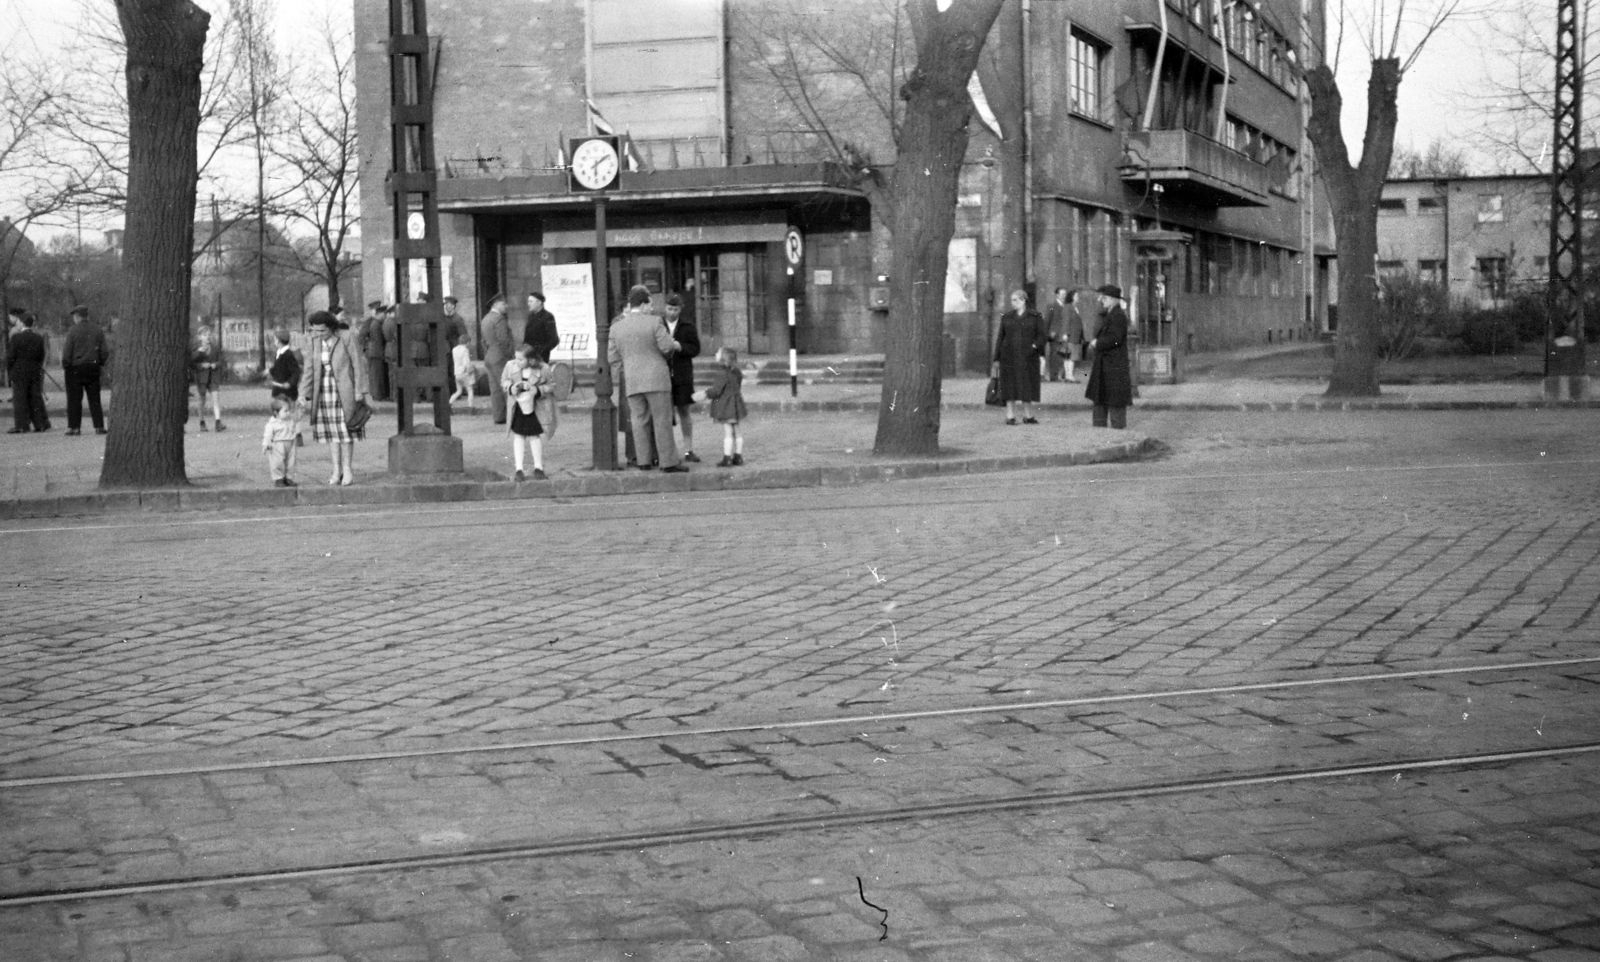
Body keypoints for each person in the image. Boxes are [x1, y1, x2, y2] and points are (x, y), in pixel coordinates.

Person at [607, 284, 686, 472]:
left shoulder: (616, 327)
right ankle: (668, 462)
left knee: (638, 420)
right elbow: (666, 346)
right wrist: (675, 345)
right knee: (662, 421)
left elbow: (612, 358)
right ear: (643, 305)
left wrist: (627, 370)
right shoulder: (655, 322)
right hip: (657, 379)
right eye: (649, 305)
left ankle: (643, 461)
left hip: (633, 380)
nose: (651, 308)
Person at [298, 310, 371, 485]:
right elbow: (309, 369)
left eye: (322, 331)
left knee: (345, 431)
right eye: (314, 331)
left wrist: (360, 390)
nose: (318, 334)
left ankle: (347, 470)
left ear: (331, 328)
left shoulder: (346, 337)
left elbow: (358, 363)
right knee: (331, 433)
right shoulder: (313, 342)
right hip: (323, 391)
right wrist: (302, 393)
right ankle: (336, 469)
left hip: (344, 389)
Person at [991, 288, 1047, 425]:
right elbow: (1000, 338)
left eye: (1015, 300)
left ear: (1023, 300)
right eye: (1011, 300)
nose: (1012, 303)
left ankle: (1028, 415)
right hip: (1009, 357)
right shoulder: (1007, 317)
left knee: (1027, 386)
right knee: (1010, 386)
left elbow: (1042, 336)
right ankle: (1010, 416)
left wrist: (1034, 347)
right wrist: (996, 358)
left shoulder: (1035, 316)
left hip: (1028, 357)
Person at [501, 344, 553, 481]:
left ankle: (538, 467)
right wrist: (511, 387)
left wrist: (538, 390)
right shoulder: (510, 366)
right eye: (516, 358)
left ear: (530, 360)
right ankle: (519, 469)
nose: (517, 362)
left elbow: (552, 385)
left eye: (520, 360)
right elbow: (504, 381)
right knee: (518, 435)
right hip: (517, 405)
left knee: (534, 435)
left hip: (535, 406)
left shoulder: (543, 368)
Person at [1086, 284, 1134, 429]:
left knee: (1115, 403)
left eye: (1104, 297)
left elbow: (1116, 338)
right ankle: (1101, 433)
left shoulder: (1118, 315)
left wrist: (1097, 343)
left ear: (1114, 299)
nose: (1101, 300)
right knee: (1102, 401)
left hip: (1114, 366)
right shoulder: (1110, 313)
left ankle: (1115, 435)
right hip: (1106, 365)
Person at [663, 292, 701, 462]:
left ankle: (688, 449)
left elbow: (695, 348)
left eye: (675, 309)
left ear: (680, 310)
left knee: (684, 411)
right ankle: (667, 451)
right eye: (669, 309)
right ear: (665, 308)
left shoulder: (688, 326)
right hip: (662, 374)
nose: (672, 313)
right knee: (664, 413)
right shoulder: (658, 324)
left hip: (682, 375)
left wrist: (681, 347)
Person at [695, 346, 747, 467]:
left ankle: (727, 457)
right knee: (737, 430)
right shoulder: (736, 372)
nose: (716, 354)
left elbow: (716, 391)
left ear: (723, 358)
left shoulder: (721, 374)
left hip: (726, 405)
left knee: (728, 431)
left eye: (718, 353)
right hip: (736, 403)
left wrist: (705, 394)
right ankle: (738, 456)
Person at [61, 304, 108, 435]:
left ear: (76, 317)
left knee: (74, 399)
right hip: (93, 366)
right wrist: (99, 363)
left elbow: (67, 352)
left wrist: (66, 365)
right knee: (94, 398)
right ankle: (99, 426)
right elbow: (104, 351)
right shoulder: (97, 330)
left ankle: (74, 427)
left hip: (75, 367)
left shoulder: (72, 331)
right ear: (87, 316)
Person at [6, 311, 49, 433]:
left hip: (19, 371)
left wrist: (10, 369)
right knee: (35, 397)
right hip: (34, 370)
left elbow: (11, 356)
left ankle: (21, 424)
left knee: (20, 398)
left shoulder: (16, 338)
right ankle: (39, 423)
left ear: (21, 322)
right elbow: (41, 355)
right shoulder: (38, 338)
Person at [480, 293, 513, 424]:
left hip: (489, 356)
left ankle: (499, 417)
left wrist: (487, 353)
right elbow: (504, 340)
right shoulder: (499, 319)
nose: (506, 306)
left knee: (495, 389)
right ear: (496, 304)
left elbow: (483, 341)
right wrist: (510, 355)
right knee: (506, 386)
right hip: (500, 356)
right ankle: (512, 416)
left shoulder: (486, 319)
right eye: (504, 304)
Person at [190, 327, 225, 431]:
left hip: (213, 376)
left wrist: (215, 364)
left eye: (209, 334)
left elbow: (221, 360)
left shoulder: (215, 347)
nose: (208, 337)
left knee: (215, 397)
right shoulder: (196, 348)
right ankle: (202, 422)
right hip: (202, 377)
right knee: (202, 399)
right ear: (200, 337)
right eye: (205, 335)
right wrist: (201, 364)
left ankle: (218, 422)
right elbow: (191, 362)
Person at [261, 395, 300, 487]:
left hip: (290, 443)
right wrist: (265, 444)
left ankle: (289, 477)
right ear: (276, 412)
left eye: (289, 410)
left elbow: (298, 416)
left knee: (291, 462)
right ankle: (278, 478)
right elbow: (267, 435)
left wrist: (300, 407)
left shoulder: (290, 420)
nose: (288, 413)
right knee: (277, 462)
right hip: (277, 444)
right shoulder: (272, 424)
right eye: (285, 411)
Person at [359, 300, 389, 402]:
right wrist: (365, 349)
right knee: (376, 374)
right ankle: (376, 394)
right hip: (374, 351)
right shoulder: (370, 322)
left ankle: (377, 393)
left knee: (377, 374)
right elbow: (362, 337)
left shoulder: (377, 322)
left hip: (374, 351)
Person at [442, 295, 470, 395]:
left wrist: (461, 348)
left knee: (454, 369)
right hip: (445, 347)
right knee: (445, 369)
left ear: (454, 306)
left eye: (450, 305)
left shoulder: (458, 319)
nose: (447, 307)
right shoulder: (443, 318)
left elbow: (463, 335)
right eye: (446, 304)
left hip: (455, 347)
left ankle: (455, 392)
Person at [522, 291, 559, 363]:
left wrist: (541, 350)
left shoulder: (547, 317)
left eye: (531, 301)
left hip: (540, 356)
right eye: (528, 301)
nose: (528, 304)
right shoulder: (531, 316)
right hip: (529, 354)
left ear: (539, 303)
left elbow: (554, 340)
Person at [266, 328, 302, 402]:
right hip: (278, 390)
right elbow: (279, 368)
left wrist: (290, 383)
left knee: (287, 411)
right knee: (278, 411)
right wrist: (270, 371)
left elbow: (296, 372)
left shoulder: (288, 354)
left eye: (275, 340)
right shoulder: (279, 353)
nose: (274, 342)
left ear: (279, 342)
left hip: (288, 393)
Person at [1043, 288, 1068, 382]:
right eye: (1062, 294)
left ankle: (1064, 376)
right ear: (1057, 295)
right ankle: (1054, 376)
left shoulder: (1066, 306)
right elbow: (1047, 321)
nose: (1064, 296)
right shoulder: (1051, 306)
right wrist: (1048, 334)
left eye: (1065, 294)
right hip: (1054, 335)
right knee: (1054, 356)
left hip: (1064, 335)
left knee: (1065, 355)